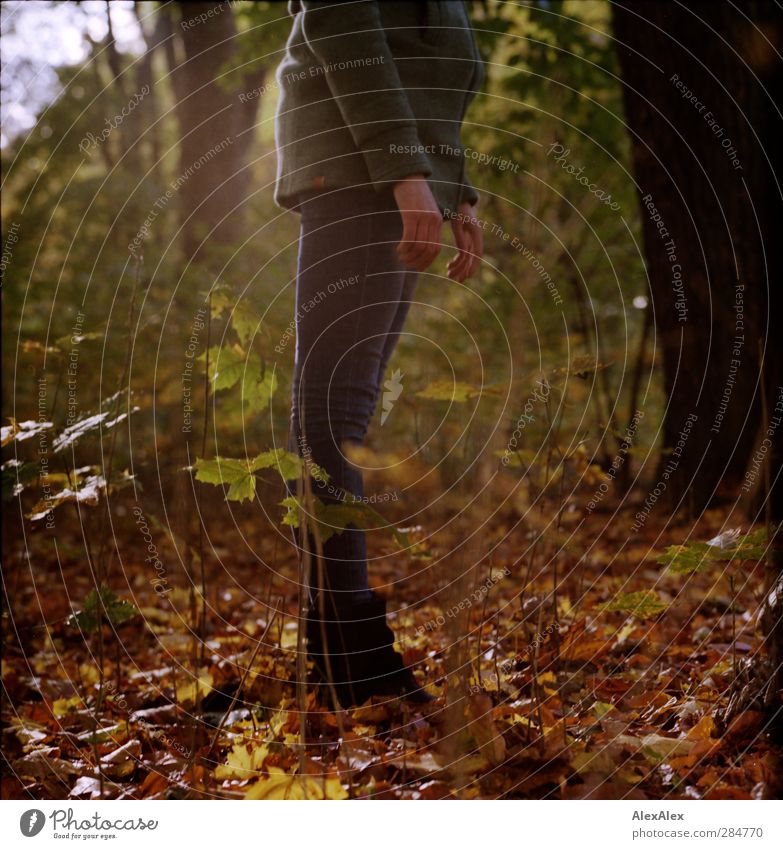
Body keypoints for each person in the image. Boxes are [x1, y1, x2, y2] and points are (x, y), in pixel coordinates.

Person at [274, 0, 485, 708]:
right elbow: (345, 27)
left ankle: (334, 656)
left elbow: (432, 76)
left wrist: (455, 192)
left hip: (387, 175)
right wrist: (405, 170)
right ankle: (351, 659)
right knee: (333, 409)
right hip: (355, 171)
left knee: (340, 409)